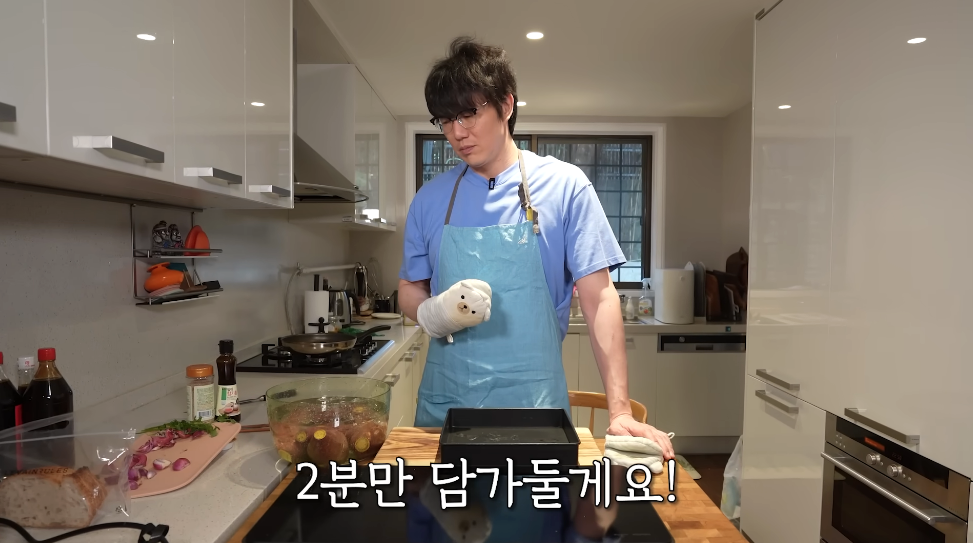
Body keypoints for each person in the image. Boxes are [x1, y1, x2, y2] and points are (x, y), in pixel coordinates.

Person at [398, 36, 674, 460]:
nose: (456, 132)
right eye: (445, 119)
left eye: (469, 113)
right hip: (446, 411)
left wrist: (619, 409)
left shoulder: (565, 187)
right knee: (445, 504)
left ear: (506, 105)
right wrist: (432, 312)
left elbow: (600, 297)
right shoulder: (430, 200)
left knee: (536, 503)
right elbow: (409, 289)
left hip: (534, 410)